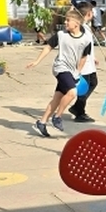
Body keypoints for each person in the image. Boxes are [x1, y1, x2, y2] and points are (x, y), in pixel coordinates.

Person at [26, 7, 92, 137]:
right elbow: (48, 47)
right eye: (65, 20)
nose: (66, 23)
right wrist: (37, 61)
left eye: (68, 21)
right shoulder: (61, 35)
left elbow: (84, 57)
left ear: (77, 24)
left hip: (72, 71)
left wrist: (78, 72)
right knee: (72, 93)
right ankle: (57, 117)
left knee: (57, 98)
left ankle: (42, 122)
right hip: (60, 68)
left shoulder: (86, 40)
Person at [68, 0, 98, 123]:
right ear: (89, 13)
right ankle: (79, 111)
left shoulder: (85, 27)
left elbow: (89, 46)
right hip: (83, 64)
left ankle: (77, 108)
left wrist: (93, 57)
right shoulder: (81, 28)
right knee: (85, 87)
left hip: (88, 62)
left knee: (93, 83)